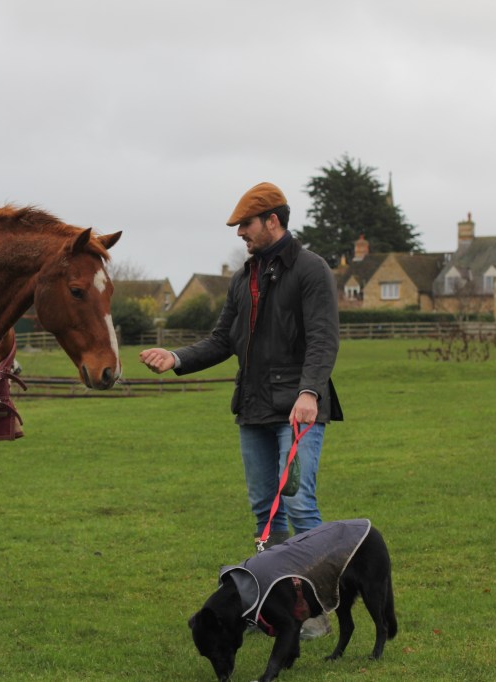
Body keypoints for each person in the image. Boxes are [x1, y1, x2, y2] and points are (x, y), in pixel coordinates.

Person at [139, 181, 343, 640]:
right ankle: (274, 610)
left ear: (273, 220)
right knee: (264, 513)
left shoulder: (312, 270)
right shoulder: (244, 277)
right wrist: (176, 359)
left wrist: (309, 392)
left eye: (245, 225)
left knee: (299, 504)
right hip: (252, 409)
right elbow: (221, 340)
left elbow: (324, 338)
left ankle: (314, 612)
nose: (239, 234)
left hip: (298, 409)